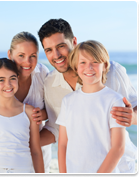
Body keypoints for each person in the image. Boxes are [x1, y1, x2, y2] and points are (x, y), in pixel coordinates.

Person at [38, 18, 137, 173]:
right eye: (48, 50)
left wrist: (132, 117)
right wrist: (20, 143)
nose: (56, 55)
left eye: (61, 46)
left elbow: (134, 110)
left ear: (74, 41)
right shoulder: (50, 83)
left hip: (120, 167)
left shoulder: (112, 72)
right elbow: (57, 130)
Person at [0, 31, 51, 172]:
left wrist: (44, 114)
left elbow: (55, 108)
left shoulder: (42, 75)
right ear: (10, 55)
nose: (27, 62)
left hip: (32, 159)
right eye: (21, 55)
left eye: (33, 56)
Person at [56, 40, 132, 173]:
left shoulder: (115, 100)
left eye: (95, 62)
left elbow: (118, 148)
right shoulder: (68, 101)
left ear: (105, 65)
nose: (89, 67)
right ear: (76, 67)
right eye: (83, 62)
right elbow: (62, 144)